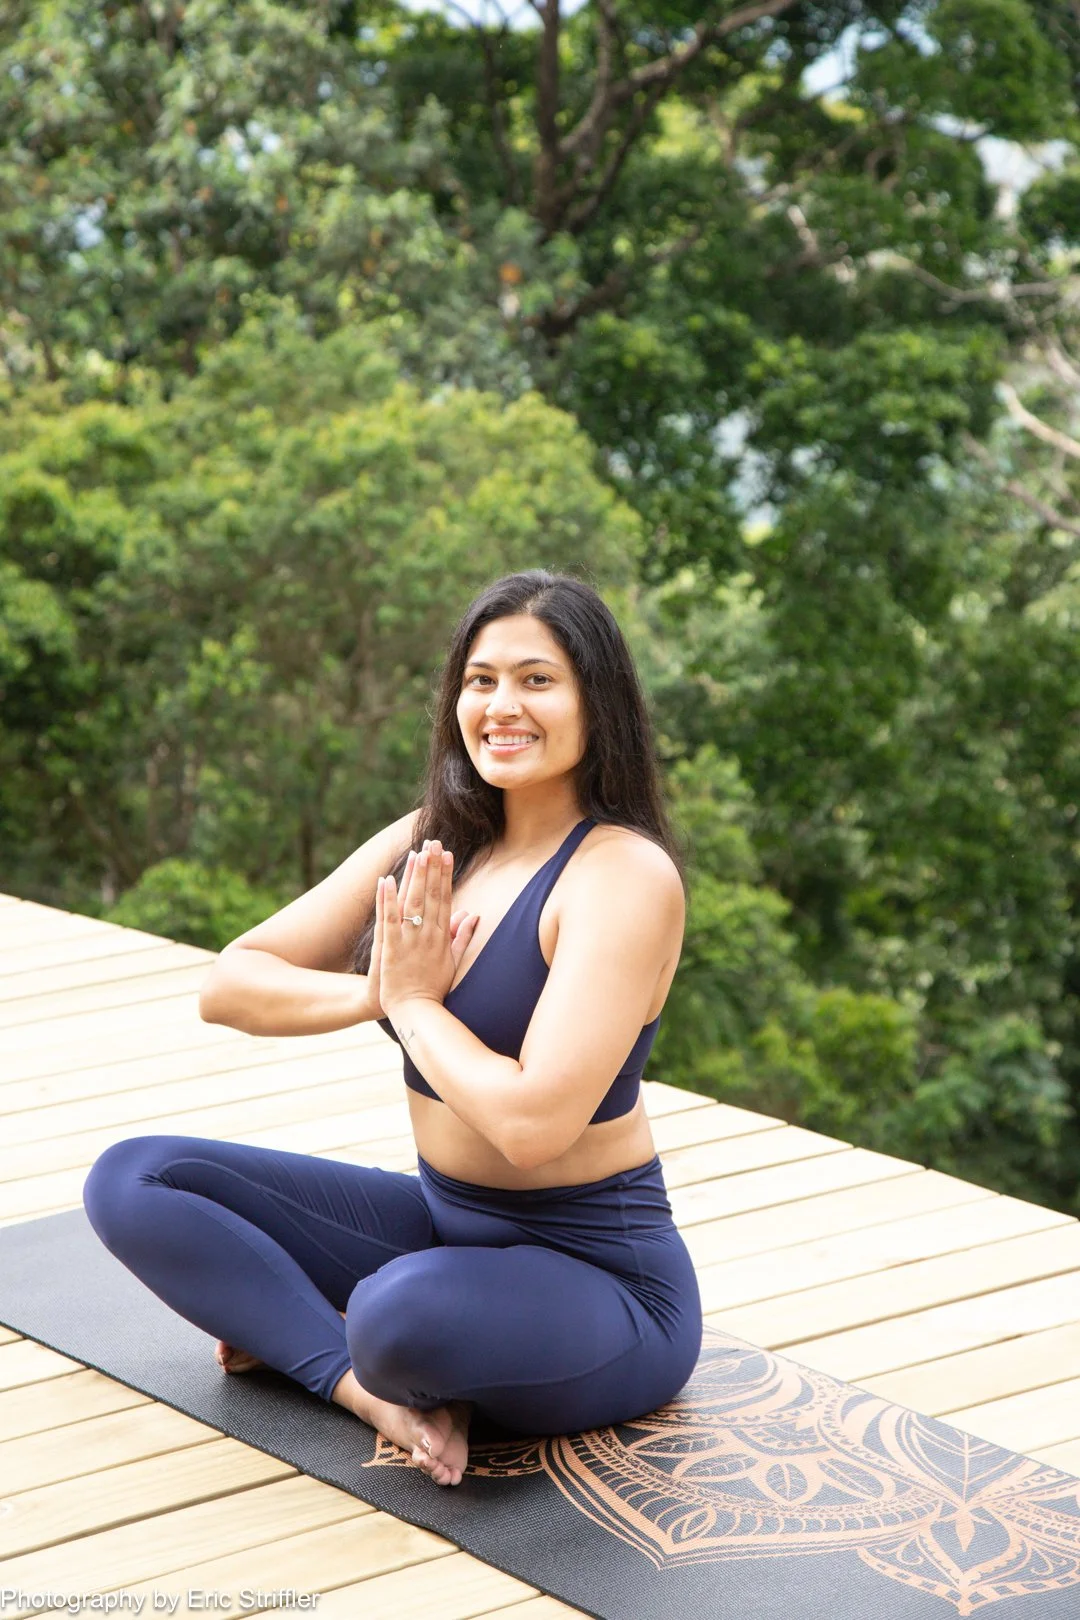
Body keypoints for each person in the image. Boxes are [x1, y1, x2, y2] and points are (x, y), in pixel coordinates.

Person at [82, 568, 703, 1490]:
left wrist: (415, 1005)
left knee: (394, 1316)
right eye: (481, 680)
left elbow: (534, 1125)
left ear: (595, 702)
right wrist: (379, 994)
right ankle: (368, 1390)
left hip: (603, 1276)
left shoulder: (622, 875)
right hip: (444, 1226)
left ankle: (369, 1344)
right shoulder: (435, 838)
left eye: (538, 680)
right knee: (134, 1180)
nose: (502, 705)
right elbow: (232, 983)